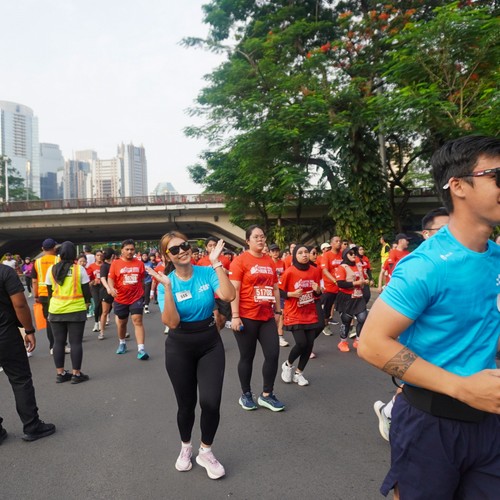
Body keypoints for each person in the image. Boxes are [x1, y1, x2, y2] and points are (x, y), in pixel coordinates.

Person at [358, 135, 500, 499]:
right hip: (431, 424)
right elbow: (371, 344)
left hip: (490, 423)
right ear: (458, 186)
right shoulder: (426, 265)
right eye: (497, 176)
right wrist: (461, 387)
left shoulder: (496, 258)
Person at [146, 232, 235, 479]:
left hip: (210, 343)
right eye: (174, 249)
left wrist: (216, 263)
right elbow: (172, 322)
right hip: (180, 347)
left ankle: (206, 451)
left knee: (211, 402)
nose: (182, 251)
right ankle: (186, 446)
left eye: (184, 245)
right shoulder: (166, 283)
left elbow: (228, 296)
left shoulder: (206, 272)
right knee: (186, 405)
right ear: (167, 256)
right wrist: (167, 288)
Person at [372, 206, 450, 442]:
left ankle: (388, 410)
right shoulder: (415, 264)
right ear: (426, 233)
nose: (451, 235)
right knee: (417, 379)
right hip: (411, 322)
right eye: (443, 230)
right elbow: (373, 343)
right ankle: (392, 413)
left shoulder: (465, 262)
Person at [230, 225, 285, 412]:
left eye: (262, 236)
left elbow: (275, 288)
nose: (260, 239)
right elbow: (235, 290)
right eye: (256, 237)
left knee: (273, 354)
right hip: (246, 316)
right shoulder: (240, 261)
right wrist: (235, 316)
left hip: (266, 316)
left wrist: (278, 312)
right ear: (248, 241)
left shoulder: (269, 261)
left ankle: (267, 395)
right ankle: (245, 394)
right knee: (247, 357)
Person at [0, 264, 56, 442]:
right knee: (20, 379)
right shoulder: (5, 272)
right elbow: (20, 304)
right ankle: (32, 426)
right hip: (5, 334)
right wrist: (29, 330)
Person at [46, 241, 91, 384]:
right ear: (74, 255)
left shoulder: (51, 270)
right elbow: (87, 293)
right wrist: (87, 305)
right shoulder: (79, 270)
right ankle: (76, 374)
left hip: (56, 310)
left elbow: (49, 293)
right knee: (75, 343)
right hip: (76, 310)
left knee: (58, 342)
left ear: (60, 254)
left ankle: (60, 374)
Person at [279, 244, 322, 386]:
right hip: (294, 312)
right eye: (300, 253)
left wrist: (317, 290)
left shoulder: (315, 271)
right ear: (294, 256)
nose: (304, 255)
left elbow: (318, 294)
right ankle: (288, 365)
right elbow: (278, 291)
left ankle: (299, 373)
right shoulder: (289, 272)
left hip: (310, 312)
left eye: (306, 252)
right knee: (301, 343)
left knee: (309, 345)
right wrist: (291, 294)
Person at [108, 239, 149, 360]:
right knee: (122, 323)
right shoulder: (115, 263)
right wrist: (111, 288)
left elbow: (142, 280)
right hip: (120, 298)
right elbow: (111, 278)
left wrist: (142, 293)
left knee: (137, 320)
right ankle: (122, 343)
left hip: (136, 297)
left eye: (132, 249)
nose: (130, 252)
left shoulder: (139, 264)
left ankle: (141, 349)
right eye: (127, 249)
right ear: (122, 250)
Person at [334, 247, 369, 352]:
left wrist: (365, 281)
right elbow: (340, 283)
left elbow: (363, 278)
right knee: (346, 321)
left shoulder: (358, 266)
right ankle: (343, 342)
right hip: (346, 297)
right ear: (345, 256)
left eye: (354, 253)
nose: (354, 255)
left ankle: (358, 340)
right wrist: (355, 283)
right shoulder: (342, 267)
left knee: (363, 318)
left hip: (358, 296)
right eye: (350, 253)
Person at [196, 237, 232, 330]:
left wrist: (226, 272)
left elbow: (232, 274)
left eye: (215, 245)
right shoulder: (201, 262)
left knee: (222, 319)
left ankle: (216, 333)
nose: (212, 247)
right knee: (216, 318)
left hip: (222, 293)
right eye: (210, 245)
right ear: (206, 248)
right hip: (209, 294)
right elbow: (198, 279)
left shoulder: (225, 260)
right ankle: (214, 336)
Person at [31, 238, 60, 354]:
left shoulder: (37, 262)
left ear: (42, 249)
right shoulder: (58, 259)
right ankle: (62, 345)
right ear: (54, 248)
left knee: (49, 320)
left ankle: (52, 346)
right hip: (57, 293)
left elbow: (34, 280)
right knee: (60, 320)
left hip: (43, 295)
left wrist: (36, 295)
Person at [320, 235, 342, 334]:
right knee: (327, 309)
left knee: (347, 307)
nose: (339, 243)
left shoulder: (343, 254)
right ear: (331, 244)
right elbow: (325, 270)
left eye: (340, 241)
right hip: (330, 287)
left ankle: (350, 327)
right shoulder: (327, 255)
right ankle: (325, 325)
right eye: (336, 241)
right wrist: (334, 280)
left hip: (342, 286)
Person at [269, 243, 288, 347]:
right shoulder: (268, 262)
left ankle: (280, 336)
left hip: (280, 290)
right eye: (273, 251)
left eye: (277, 251)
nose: (275, 253)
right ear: (270, 253)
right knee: (270, 314)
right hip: (269, 290)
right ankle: (270, 334)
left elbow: (285, 275)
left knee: (281, 313)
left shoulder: (282, 262)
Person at [97, 247, 115, 340]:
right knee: (105, 312)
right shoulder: (104, 266)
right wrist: (108, 288)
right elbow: (103, 278)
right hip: (106, 291)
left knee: (118, 311)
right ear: (113, 256)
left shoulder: (115, 265)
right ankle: (102, 332)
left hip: (115, 290)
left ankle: (122, 330)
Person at [86, 249, 104, 332]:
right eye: (97, 255)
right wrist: (93, 281)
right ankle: (96, 322)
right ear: (95, 257)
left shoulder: (105, 265)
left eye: (101, 255)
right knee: (97, 304)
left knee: (102, 305)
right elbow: (88, 279)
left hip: (103, 287)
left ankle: (101, 321)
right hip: (95, 288)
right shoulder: (91, 266)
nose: (99, 257)